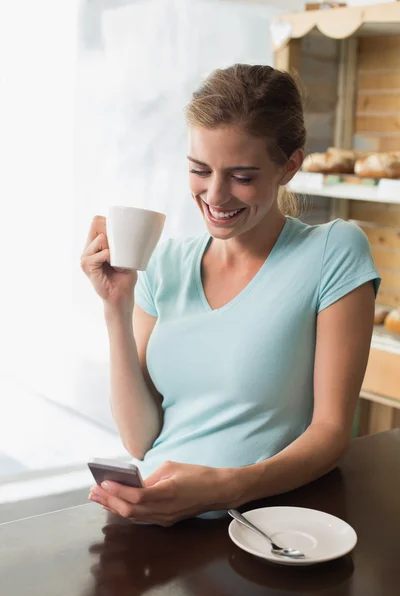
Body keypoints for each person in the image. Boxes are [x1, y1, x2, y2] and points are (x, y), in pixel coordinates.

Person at [81, 64, 380, 526]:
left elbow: (331, 433)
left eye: (241, 176)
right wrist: (115, 308)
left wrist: (224, 488)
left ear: (290, 166)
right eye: (200, 170)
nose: (215, 195)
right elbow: (140, 441)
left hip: (263, 526)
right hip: (152, 521)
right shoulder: (165, 263)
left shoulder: (332, 252)